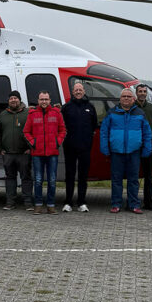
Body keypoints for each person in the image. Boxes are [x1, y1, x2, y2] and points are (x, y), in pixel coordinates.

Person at [99, 88, 152, 214]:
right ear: (120, 99)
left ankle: (133, 204)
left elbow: (147, 133)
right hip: (116, 152)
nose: (126, 98)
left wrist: (147, 148)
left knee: (133, 180)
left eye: (129, 96)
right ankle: (116, 204)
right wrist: (105, 148)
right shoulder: (112, 113)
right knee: (116, 179)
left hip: (134, 152)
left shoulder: (140, 113)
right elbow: (104, 131)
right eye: (124, 96)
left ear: (133, 99)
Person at [23, 91, 67, 214]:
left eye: (46, 99)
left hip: (52, 153)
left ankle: (51, 205)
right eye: (42, 99)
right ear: (38, 100)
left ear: (49, 100)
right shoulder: (32, 114)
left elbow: (62, 130)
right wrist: (33, 143)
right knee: (38, 180)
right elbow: (26, 132)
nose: (44, 101)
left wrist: (57, 142)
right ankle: (38, 205)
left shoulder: (56, 113)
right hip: (37, 153)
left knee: (52, 180)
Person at [61, 82, 98, 212]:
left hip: (85, 148)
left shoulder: (90, 107)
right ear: (72, 92)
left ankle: (82, 202)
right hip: (69, 147)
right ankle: (68, 203)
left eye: (80, 90)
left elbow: (94, 125)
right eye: (76, 90)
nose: (78, 92)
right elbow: (61, 127)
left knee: (83, 176)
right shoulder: (66, 108)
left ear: (84, 91)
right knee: (70, 176)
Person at [0, 90, 33, 210]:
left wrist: (31, 148)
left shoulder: (27, 113)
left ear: (19, 100)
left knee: (26, 178)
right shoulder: (3, 114)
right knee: (10, 178)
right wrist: (0, 149)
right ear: (8, 101)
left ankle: (28, 202)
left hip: (24, 153)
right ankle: (10, 202)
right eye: (11, 98)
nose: (13, 100)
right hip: (8, 154)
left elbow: (34, 131)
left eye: (15, 98)